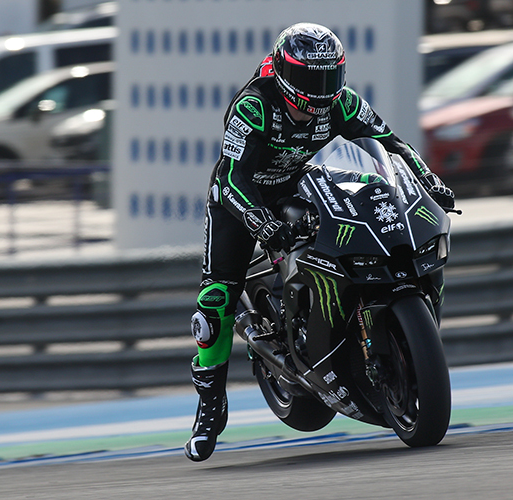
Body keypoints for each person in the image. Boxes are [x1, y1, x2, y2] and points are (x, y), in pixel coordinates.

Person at [185, 22, 455, 462]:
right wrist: (259, 221)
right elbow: (231, 176)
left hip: (296, 184)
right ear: (284, 72)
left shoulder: (341, 103)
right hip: (240, 198)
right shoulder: (253, 107)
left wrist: (429, 182)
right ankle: (210, 408)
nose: (322, 90)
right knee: (215, 301)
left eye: (329, 77)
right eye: (312, 79)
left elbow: (391, 144)